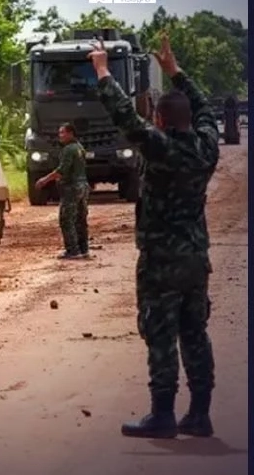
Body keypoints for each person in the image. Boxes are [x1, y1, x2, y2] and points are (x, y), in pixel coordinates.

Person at [89, 33, 218, 439]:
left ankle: (162, 414)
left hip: (161, 260)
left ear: (160, 120)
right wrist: (177, 74)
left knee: (160, 333)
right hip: (196, 257)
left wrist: (103, 71)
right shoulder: (207, 147)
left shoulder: (159, 147)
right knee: (194, 332)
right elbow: (206, 111)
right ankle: (199, 413)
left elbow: (125, 116)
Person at [33, 122, 90, 259]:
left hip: (72, 187)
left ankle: (72, 251)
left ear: (71, 133)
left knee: (66, 219)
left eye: (63, 132)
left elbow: (61, 171)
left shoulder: (69, 149)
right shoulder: (79, 147)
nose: (60, 136)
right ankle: (84, 249)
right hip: (83, 186)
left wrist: (44, 180)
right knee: (80, 219)